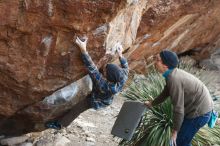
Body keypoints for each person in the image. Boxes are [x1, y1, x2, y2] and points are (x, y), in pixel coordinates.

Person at [45, 36, 129, 129]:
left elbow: (92, 69)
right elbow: (125, 66)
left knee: (77, 109)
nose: (104, 68)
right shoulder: (123, 76)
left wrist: (83, 49)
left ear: (107, 77)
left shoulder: (104, 85)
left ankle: (59, 125)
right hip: (106, 96)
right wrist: (120, 54)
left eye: (105, 70)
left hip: (97, 100)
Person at [145, 50, 213, 146]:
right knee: (182, 141)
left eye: (157, 60)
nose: (155, 62)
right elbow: (165, 93)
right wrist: (152, 103)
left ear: (165, 65)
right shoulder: (172, 74)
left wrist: (175, 132)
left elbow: (178, 108)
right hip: (201, 109)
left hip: (199, 114)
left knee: (179, 142)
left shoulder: (174, 79)